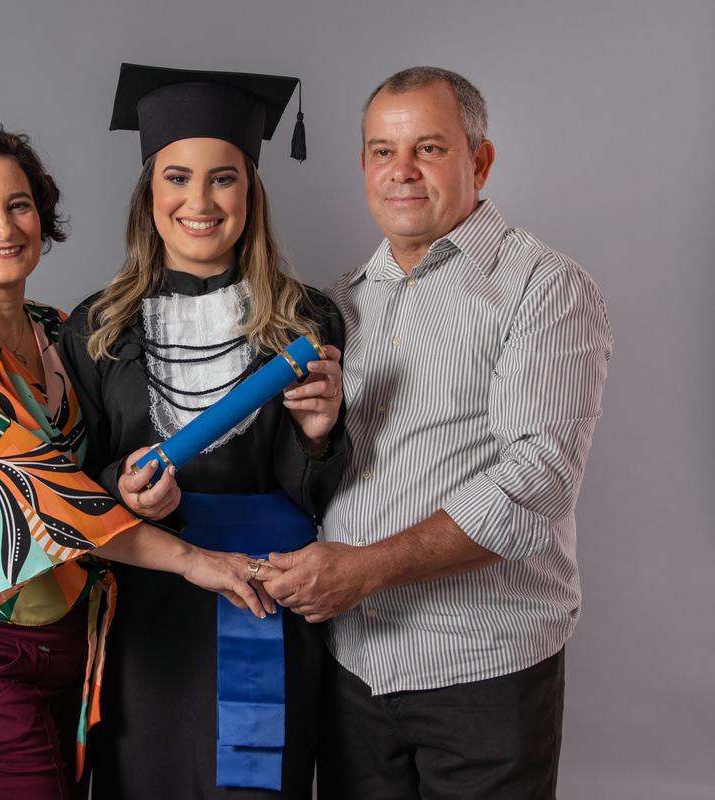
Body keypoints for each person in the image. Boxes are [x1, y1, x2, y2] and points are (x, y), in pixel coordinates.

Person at [0, 123, 280, 800]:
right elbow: (33, 497)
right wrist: (193, 559)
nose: (3, 225)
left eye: (19, 204)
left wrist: (128, 484)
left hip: (77, 645)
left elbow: (92, 476)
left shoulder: (60, 331)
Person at [261, 67, 613, 799]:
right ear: (362, 166)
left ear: (478, 161)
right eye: (382, 152)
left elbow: (536, 476)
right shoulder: (334, 308)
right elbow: (322, 474)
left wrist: (364, 569)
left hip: (481, 668)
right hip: (354, 667)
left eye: (429, 148)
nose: (403, 173)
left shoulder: (542, 287)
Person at [58, 64, 349, 799]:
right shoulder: (97, 326)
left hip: (266, 591)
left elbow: (325, 493)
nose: (199, 201)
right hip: (147, 606)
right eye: (177, 177)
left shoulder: (306, 321)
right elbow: (70, 483)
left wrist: (318, 434)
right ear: (148, 194)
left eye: (223, 178)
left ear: (250, 193)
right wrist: (118, 490)